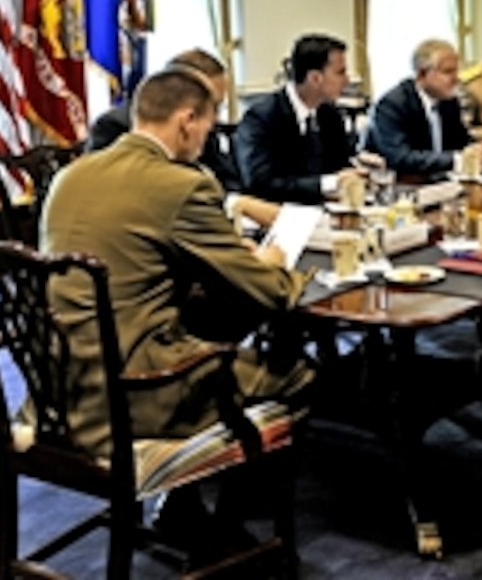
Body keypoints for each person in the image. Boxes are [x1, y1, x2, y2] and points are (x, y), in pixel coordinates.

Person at [40, 66, 315, 462]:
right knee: (298, 372)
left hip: (59, 384)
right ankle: (235, 513)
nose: (209, 139)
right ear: (187, 120)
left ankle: (187, 509)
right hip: (135, 390)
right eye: (209, 126)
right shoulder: (180, 185)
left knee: (218, 326)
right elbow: (272, 291)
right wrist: (275, 260)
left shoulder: (69, 175)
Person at [233, 34, 374, 205]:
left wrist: (358, 172)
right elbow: (261, 184)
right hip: (275, 216)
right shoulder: (261, 118)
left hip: (324, 212)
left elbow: (340, 164)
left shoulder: (330, 115)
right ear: (315, 78)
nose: (347, 81)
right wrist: (329, 183)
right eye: (340, 73)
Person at [87, 48, 242, 191]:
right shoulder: (113, 127)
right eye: (213, 106)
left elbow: (228, 183)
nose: (215, 118)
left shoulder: (203, 130)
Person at [363, 39, 477, 179]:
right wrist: (457, 160)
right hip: (400, 186)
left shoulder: (449, 101)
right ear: (422, 75)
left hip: (441, 184)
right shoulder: (393, 104)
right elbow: (400, 158)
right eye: (448, 72)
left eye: (456, 71)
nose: (456, 79)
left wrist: (480, 150)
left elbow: (461, 142)